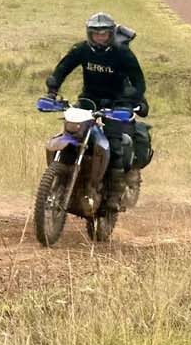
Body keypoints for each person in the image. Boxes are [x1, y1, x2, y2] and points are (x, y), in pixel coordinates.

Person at [45, 12, 147, 210]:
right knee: (72, 132)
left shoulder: (122, 53)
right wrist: (52, 90)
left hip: (117, 103)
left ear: (111, 34)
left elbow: (139, 83)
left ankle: (115, 195)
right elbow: (62, 69)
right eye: (96, 34)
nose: (100, 37)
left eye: (104, 34)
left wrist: (130, 100)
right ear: (89, 34)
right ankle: (62, 179)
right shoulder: (82, 50)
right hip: (88, 100)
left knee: (115, 143)